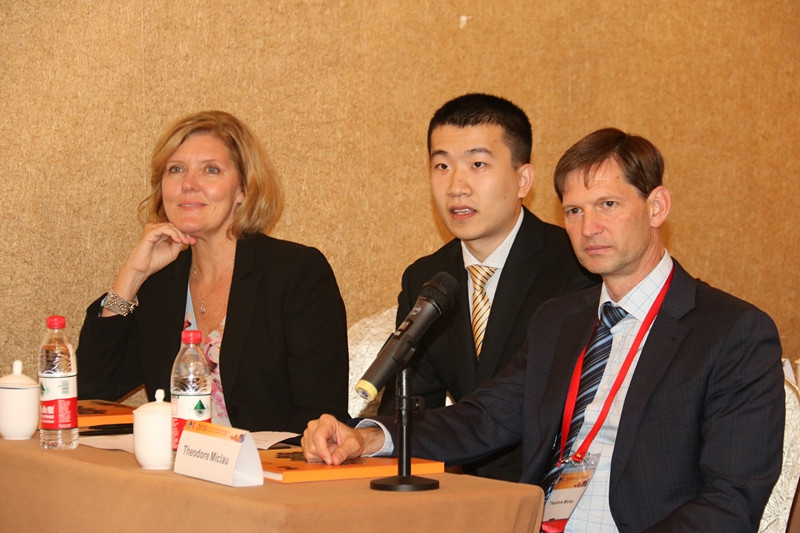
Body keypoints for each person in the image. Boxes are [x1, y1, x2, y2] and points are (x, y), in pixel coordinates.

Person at [303, 128, 784, 532]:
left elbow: (731, 502)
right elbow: (483, 418)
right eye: (574, 211)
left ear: (656, 207)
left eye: (608, 204)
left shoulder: (731, 332)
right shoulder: (560, 321)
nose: (589, 228)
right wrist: (367, 438)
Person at [77, 110, 350, 434]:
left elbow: (321, 416)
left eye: (210, 170)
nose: (189, 184)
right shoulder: (160, 285)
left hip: (266, 465)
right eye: (176, 170)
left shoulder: (296, 273)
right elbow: (89, 392)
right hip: (176, 463)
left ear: (242, 189)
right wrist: (132, 276)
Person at [377, 93, 598, 481]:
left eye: (478, 164)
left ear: (523, 180)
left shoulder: (576, 266)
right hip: (467, 492)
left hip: (553, 486)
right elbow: (412, 410)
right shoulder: (427, 277)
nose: (457, 186)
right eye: (442, 165)